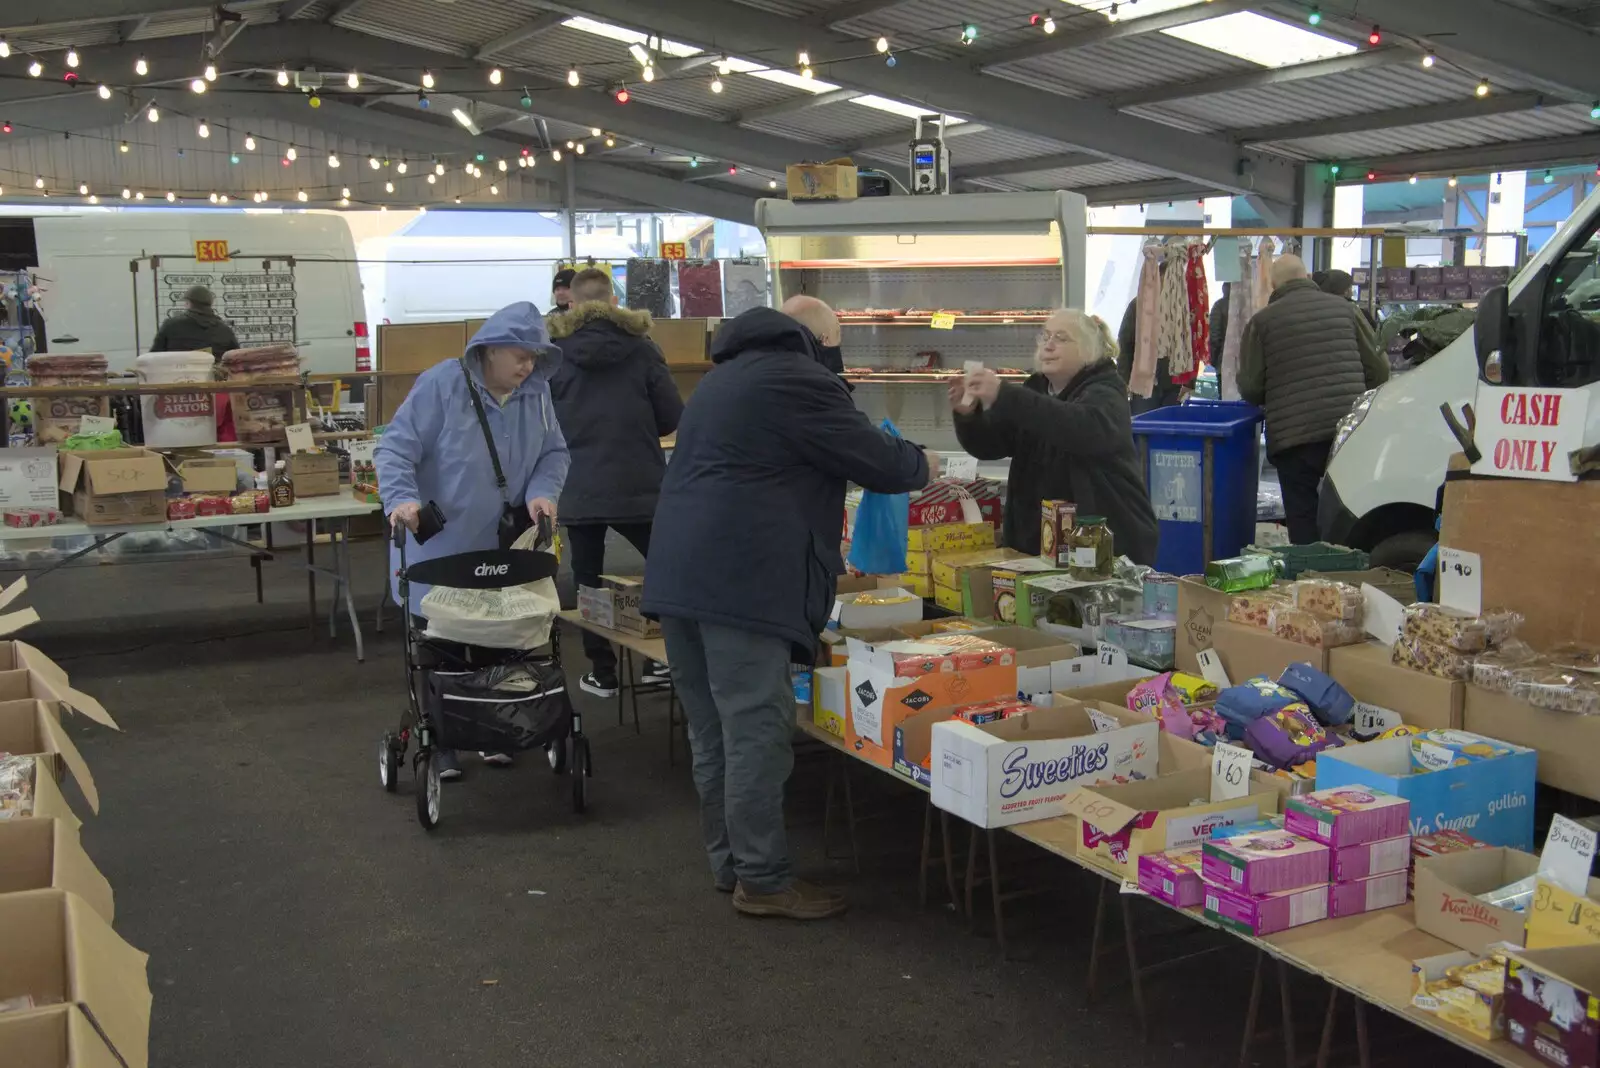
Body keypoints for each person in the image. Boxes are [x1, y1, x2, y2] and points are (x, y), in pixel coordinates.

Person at [642, 299, 933, 920]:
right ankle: (765, 881)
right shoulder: (800, 379)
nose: (838, 357)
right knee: (756, 729)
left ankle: (732, 864)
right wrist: (922, 462)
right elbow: (881, 462)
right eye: (836, 343)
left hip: (679, 574)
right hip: (743, 581)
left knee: (713, 731)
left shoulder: (724, 377)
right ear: (817, 339)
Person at [376, 301, 570, 780]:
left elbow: (555, 452)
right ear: (489, 350)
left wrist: (544, 494)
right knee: (439, 642)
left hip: (503, 545)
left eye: (535, 357)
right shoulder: (442, 384)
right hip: (439, 544)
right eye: (521, 355)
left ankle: (490, 728)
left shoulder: (536, 395)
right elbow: (396, 447)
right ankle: (441, 740)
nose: (528, 366)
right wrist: (400, 501)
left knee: (496, 638)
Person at [548, 268, 682, 697]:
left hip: (577, 484)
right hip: (638, 480)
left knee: (587, 581)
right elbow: (672, 418)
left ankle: (603, 673)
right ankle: (661, 661)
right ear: (613, 302)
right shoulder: (644, 350)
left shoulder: (553, 354)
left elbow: (541, 422)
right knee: (663, 571)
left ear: (571, 302)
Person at [952, 308, 1159, 566]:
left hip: (1104, 547)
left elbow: (1078, 428)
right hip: (1038, 547)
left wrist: (1005, 395)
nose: (1048, 345)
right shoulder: (1036, 388)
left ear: (1087, 349)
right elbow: (992, 445)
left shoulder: (1107, 391)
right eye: (1045, 336)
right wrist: (968, 416)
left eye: (1061, 338)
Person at [1239, 255, 1389, 545]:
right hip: (1347, 431)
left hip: (1294, 438)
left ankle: (1310, 580)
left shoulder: (1262, 322)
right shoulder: (1347, 310)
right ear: (1307, 278)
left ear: (1272, 284)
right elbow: (1380, 369)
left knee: (1302, 516)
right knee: (1350, 508)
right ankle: (1349, 576)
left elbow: (1250, 387)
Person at [150, 284, 238, 358]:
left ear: (188, 303)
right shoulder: (225, 330)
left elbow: (152, 358)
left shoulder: (170, 325)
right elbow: (237, 358)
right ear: (210, 304)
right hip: (215, 377)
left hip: (177, 377)